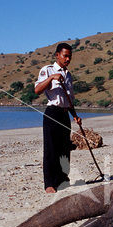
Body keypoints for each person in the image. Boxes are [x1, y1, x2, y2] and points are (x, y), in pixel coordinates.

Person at [34, 43, 82, 193]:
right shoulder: (47, 70)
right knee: (51, 148)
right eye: (65, 56)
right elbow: (37, 90)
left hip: (64, 114)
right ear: (57, 55)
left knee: (64, 148)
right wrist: (52, 78)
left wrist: (75, 116)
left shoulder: (68, 75)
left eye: (70, 56)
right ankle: (49, 183)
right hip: (52, 112)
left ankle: (62, 180)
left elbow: (69, 100)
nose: (68, 59)